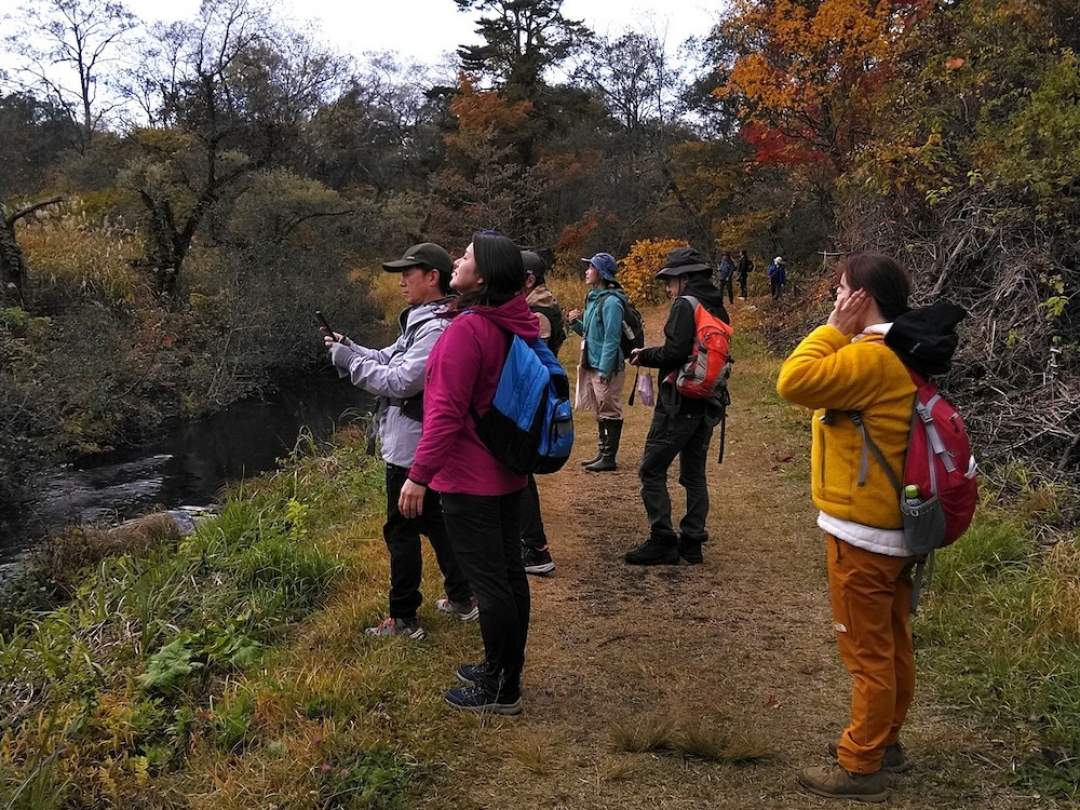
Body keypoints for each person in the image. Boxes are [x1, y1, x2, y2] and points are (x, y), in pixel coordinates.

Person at [776, 253, 962, 802]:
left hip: (864, 534)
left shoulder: (872, 360)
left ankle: (861, 764)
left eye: (840, 292)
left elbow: (794, 380)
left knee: (866, 654)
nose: (834, 301)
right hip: (898, 527)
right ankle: (888, 741)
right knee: (894, 640)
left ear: (860, 298)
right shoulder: (904, 354)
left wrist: (832, 331)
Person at [399, 231, 538, 715]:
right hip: (507, 471)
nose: (456, 260)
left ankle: (500, 689)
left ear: (481, 276)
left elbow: (445, 414)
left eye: (465, 256)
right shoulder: (512, 322)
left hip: (470, 479)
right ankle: (503, 669)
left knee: (490, 584)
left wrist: (419, 476)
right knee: (509, 575)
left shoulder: (466, 330)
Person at [325, 242, 475, 640]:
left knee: (401, 531)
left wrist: (348, 362)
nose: (402, 281)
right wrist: (350, 347)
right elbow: (389, 357)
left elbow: (399, 381)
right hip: (417, 444)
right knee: (434, 522)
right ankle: (463, 597)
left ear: (433, 277)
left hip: (412, 448)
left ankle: (404, 618)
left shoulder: (435, 328)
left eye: (409, 273)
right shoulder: (423, 320)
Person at [624, 246, 730, 566]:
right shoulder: (716, 306)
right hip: (709, 401)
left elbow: (673, 354)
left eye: (670, 281)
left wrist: (643, 355)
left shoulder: (686, 305)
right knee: (694, 473)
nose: (668, 288)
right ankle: (692, 541)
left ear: (684, 279)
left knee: (652, 469)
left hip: (680, 401)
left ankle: (663, 539)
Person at [519, 250, 562, 576]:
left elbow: (533, 360)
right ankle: (532, 545)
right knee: (521, 475)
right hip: (537, 399)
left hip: (533, 401)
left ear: (529, 279)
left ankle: (536, 548)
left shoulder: (537, 312)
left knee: (520, 474)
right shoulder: (541, 305)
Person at [567, 252, 628, 473]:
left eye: (590, 267)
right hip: (592, 362)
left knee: (609, 408)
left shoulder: (612, 302)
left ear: (601, 273)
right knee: (600, 409)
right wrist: (575, 324)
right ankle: (602, 453)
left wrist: (604, 369)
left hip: (606, 366)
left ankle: (609, 457)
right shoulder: (594, 298)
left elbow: (612, 339)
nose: (586, 271)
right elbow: (590, 333)